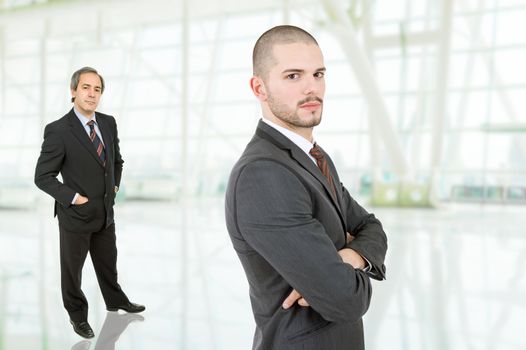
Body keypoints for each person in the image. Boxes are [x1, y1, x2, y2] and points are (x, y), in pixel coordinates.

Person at [225, 25, 387, 349]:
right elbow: (345, 300)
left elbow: (372, 228)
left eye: (318, 74)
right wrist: (344, 272)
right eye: (293, 76)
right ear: (259, 88)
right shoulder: (263, 174)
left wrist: (345, 260)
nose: (311, 88)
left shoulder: (314, 157)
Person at [35, 67, 145, 339]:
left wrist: (114, 186)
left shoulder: (107, 123)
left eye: (97, 89)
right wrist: (74, 198)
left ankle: (115, 300)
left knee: (108, 262)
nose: (91, 94)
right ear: (73, 92)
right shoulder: (59, 130)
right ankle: (77, 315)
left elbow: (116, 161)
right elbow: (42, 176)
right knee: (72, 272)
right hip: (76, 215)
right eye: (86, 88)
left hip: (105, 212)